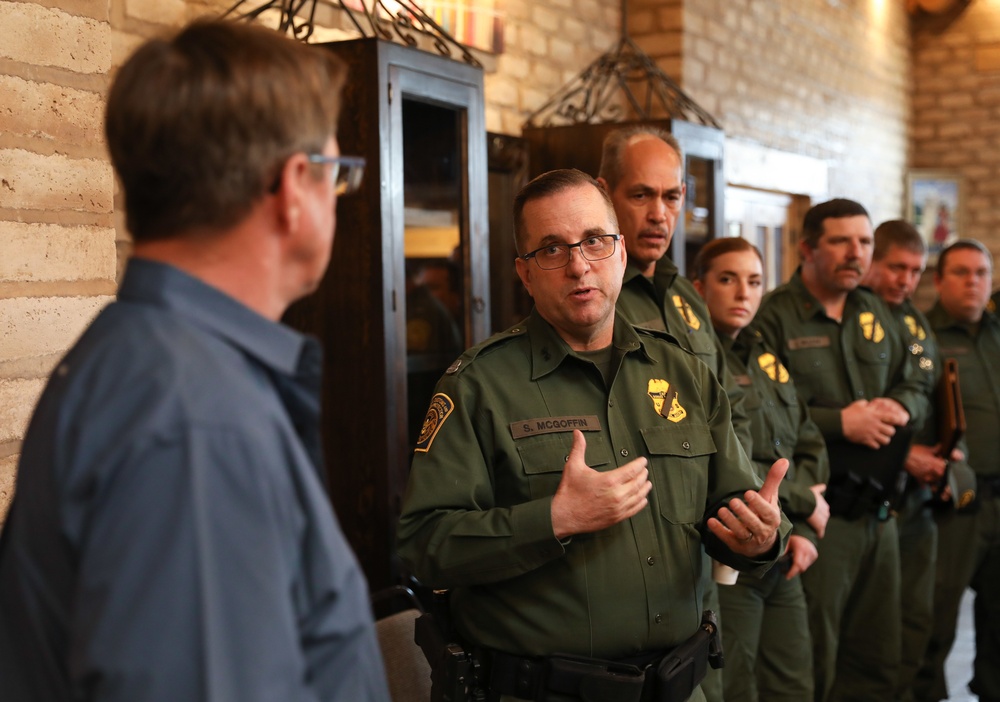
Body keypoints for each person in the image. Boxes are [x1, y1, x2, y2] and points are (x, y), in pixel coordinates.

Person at [0, 20, 390, 702]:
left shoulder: (153, 362)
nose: (337, 199)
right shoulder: (196, 420)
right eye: (337, 175)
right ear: (294, 188)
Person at [397, 169, 791, 702]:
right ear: (525, 273)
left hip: (684, 685)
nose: (579, 266)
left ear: (621, 253)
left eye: (594, 243)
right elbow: (421, 546)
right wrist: (554, 520)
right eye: (552, 250)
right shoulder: (479, 386)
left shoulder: (685, 373)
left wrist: (763, 539)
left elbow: (734, 509)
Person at [597, 126, 751, 701]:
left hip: (706, 541)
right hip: (637, 543)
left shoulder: (684, 295)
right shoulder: (596, 294)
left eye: (672, 196)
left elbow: (722, 413)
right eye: (641, 196)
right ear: (604, 191)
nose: (659, 214)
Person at [754, 199, 928, 702]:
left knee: (878, 656)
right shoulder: (774, 318)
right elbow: (762, 413)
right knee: (816, 657)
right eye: (841, 241)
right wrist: (841, 421)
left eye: (866, 242)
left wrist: (900, 405)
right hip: (821, 519)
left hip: (881, 513)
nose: (857, 253)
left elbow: (917, 378)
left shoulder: (875, 309)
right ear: (807, 248)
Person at [692, 237, 830, 702]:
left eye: (753, 281)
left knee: (793, 684)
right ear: (697, 288)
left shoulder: (765, 355)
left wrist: (801, 528)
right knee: (738, 686)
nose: (742, 293)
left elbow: (808, 437)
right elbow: (733, 463)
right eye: (727, 279)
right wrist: (806, 501)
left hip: (785, 548)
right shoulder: (694, 363)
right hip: (731, 556)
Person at [862, 220, 974, 701]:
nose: (906, 280)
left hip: (920, 504)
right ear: (872, 262)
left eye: (915, 271)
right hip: (868, 498)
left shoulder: (912, 320)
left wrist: (948, 453)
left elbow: (927, 392)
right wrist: (905, 455)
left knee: (917, 624)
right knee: (873, 638)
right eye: (896, 268)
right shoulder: (854, 315)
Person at [914, 240, 1000, 702]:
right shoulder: (922, 335)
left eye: (981, 273)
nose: (973, 282)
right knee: (934, 625)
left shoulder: (997, 331)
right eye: (962, 273)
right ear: (940, 279)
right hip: (952, 507)